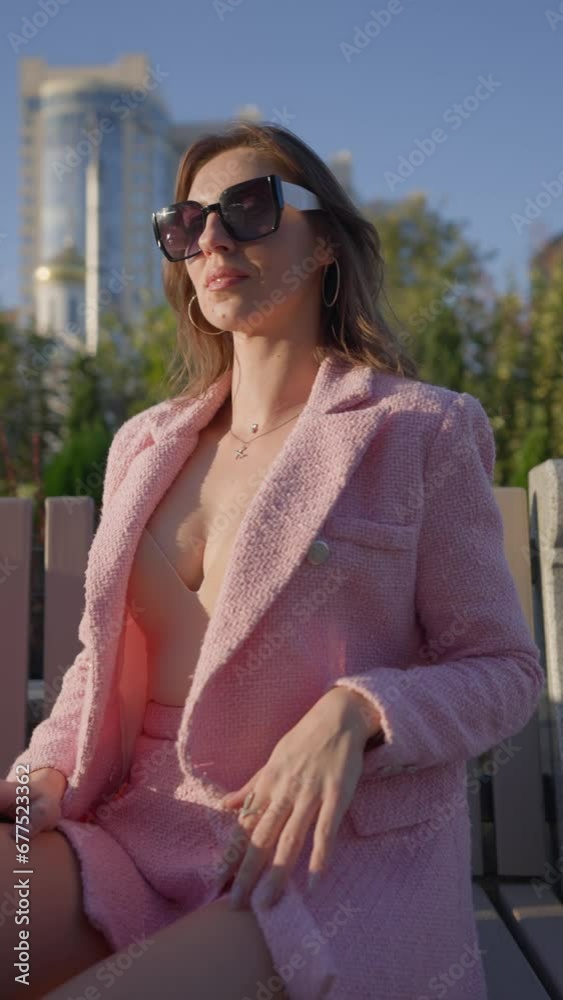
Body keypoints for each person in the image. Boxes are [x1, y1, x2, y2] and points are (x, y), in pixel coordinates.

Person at [0, 122, 544, 1000]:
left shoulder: (416, 430)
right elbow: (99, 668)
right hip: (132, 831)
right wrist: (40, 780)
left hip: (311, 855)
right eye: (185, 224)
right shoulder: (144, 444)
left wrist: (356, 711)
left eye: (248, 209)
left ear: (324, 242)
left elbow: (504, 669)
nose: (212, 238)